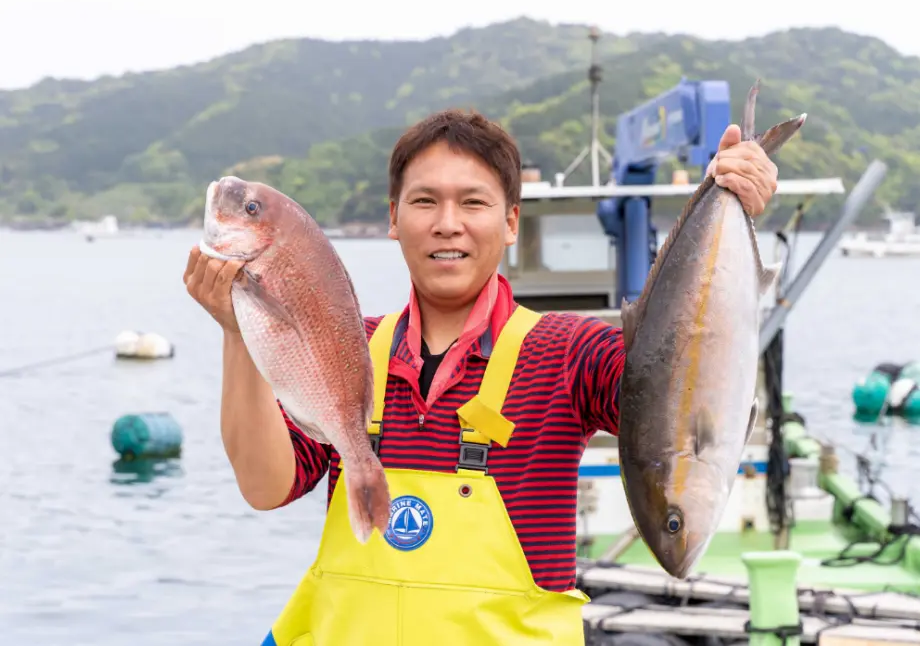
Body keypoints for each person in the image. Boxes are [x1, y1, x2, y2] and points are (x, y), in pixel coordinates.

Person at [183, 109, 779, 645]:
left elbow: (682, 391)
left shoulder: (571, 354)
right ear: (393, 218)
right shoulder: (345, 350)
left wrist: (728, 201)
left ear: (511, 221)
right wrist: (239, 331)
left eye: (473, 203)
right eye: (424, 202)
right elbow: (265, 486)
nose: (448, 224)